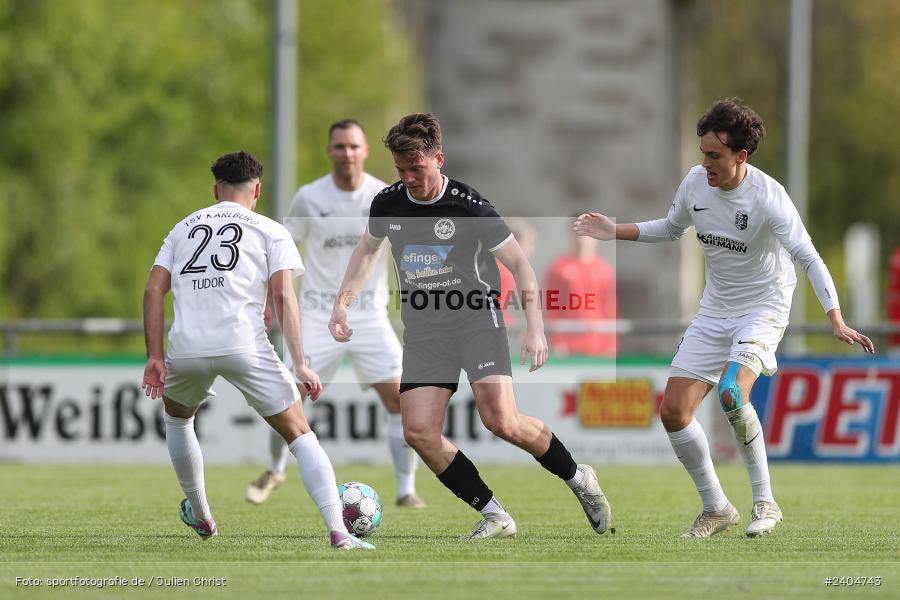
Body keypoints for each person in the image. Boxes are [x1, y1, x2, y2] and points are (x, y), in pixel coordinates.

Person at [573, 98, 875, 538]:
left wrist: (836, 318)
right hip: (716, 307)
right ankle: (716, 507)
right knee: (673, 411)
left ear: (741, 156)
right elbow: (672, 228)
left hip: (765, 306)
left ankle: (765, 503)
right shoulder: (696, 183)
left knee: (732, 392)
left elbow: (808, 256)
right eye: (703, 154)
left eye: (714, 156)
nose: (705, 164)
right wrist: (613, 230)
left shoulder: (769, 197)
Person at [329, 113, 613, 539]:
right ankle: (495, 514)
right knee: (419, 432)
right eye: (401, 170)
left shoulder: (469, 205)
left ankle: (579, 478)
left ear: (438, 159)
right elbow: (367, 251)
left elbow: (519, 263)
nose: (408, 178)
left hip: (477, 321)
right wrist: (342, 304)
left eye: (417, 169)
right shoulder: (387, 203)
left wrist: (535, 328)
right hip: (425, 333)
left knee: (502, 421)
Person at [141, 150, 374, 550]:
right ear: (258, 190)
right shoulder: (270, 230)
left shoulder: (183, 228)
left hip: (188, 346)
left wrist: (154, 356)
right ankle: (339, 532)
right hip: (243, 344)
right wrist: (300, 363)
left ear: (216, 189)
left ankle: (202, 516)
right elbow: (283, 294)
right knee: (301, 435)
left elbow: (153, 290)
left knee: (179, 422)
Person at [245, 119, 425, 509]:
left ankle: (406, 489)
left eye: (354, 147)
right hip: (315, 313)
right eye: (340, 146)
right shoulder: (310, 198)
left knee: (401, 399)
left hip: (369, 314)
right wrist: (266, 302)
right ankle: (275, 469)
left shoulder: (385, 195)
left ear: (365, 151)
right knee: (289, 395)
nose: (348, 153)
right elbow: (281, 257)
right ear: (330, 151)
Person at [543, 224, 617, 356]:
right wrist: (557, 340)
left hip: (597, 344)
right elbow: (551, 306)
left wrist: (611, 343)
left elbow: (609, 308)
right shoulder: (559, 266)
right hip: (568, 344)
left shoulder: (604, 269)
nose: (583, 237)